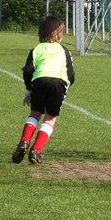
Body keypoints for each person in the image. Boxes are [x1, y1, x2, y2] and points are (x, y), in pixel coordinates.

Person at [12, 15, 75, 165]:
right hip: (58, 83)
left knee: (35, 113)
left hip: (39, 81)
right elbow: (71, 75)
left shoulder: (36, 49)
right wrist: (65, 87)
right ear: (58, 34)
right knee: (50, 118)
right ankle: (36, 150)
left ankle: (24, 141)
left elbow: (28, 70)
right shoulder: (65, 51)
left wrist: (29, 89)